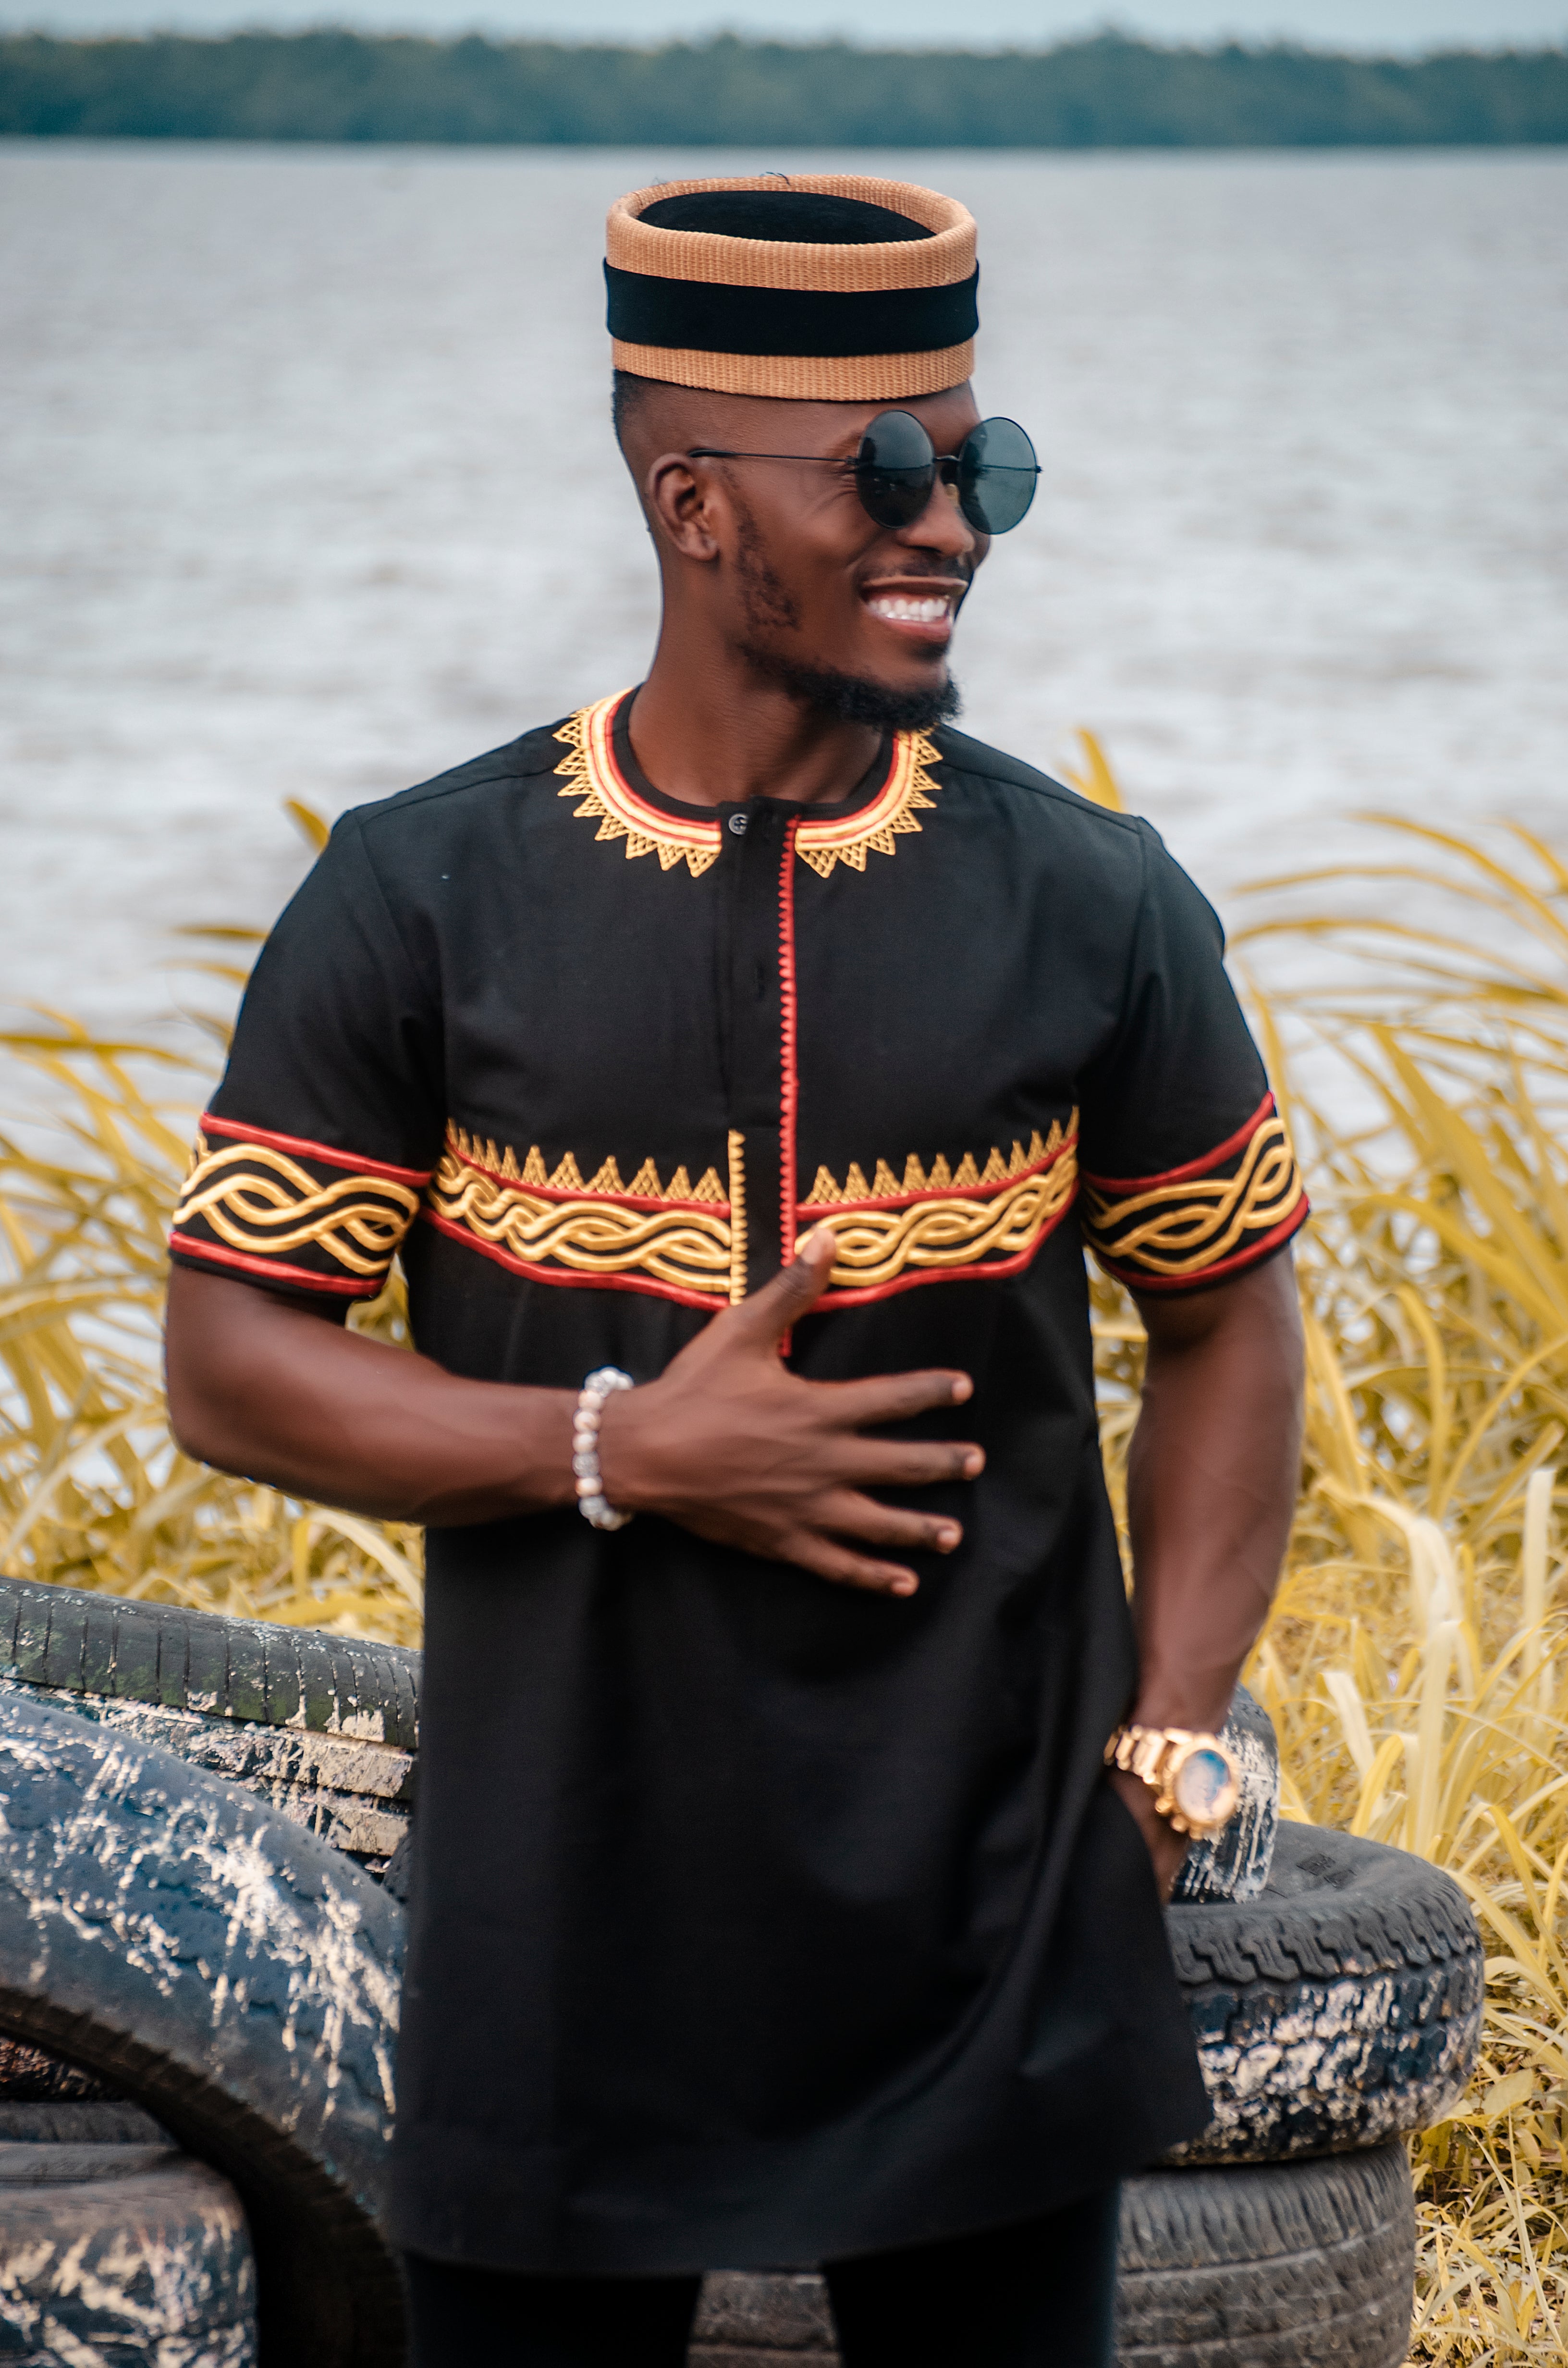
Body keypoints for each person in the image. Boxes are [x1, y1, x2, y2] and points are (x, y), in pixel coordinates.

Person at [163, 173, 1307, 2368]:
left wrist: (1169, 1754)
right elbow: (232, 1359)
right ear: (692, 500)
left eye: (984, 465)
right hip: (564, 1920)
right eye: (886, 469)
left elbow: (1230, 1305)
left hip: (998, 1924)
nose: (950, 522)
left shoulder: (1098, 901)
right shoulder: (420, 897)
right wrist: (624, 1445)